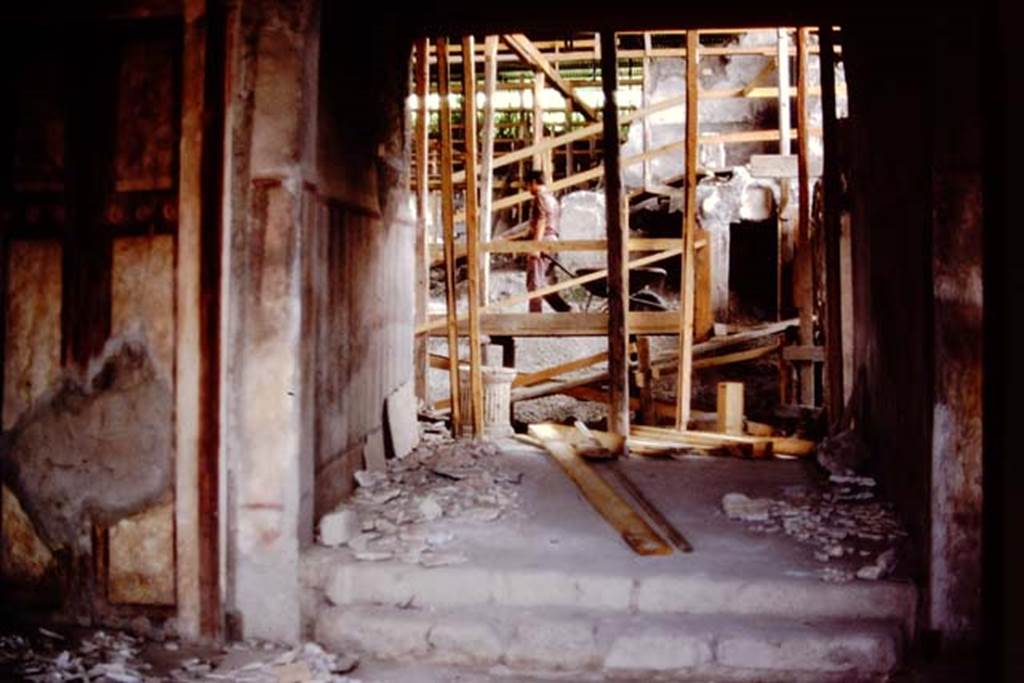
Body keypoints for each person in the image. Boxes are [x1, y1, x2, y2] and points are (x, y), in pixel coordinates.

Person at [524, 170, 571, 312]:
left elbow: (541, 221)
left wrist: (536, 247)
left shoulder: (540, 197)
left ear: (533, 182)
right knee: (542, 283)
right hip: (552, 240)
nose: (527, 189)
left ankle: (535, 318)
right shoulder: (552, 199)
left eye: (528, 185)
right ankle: (564, 310)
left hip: (543, 240)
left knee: (534, 283)